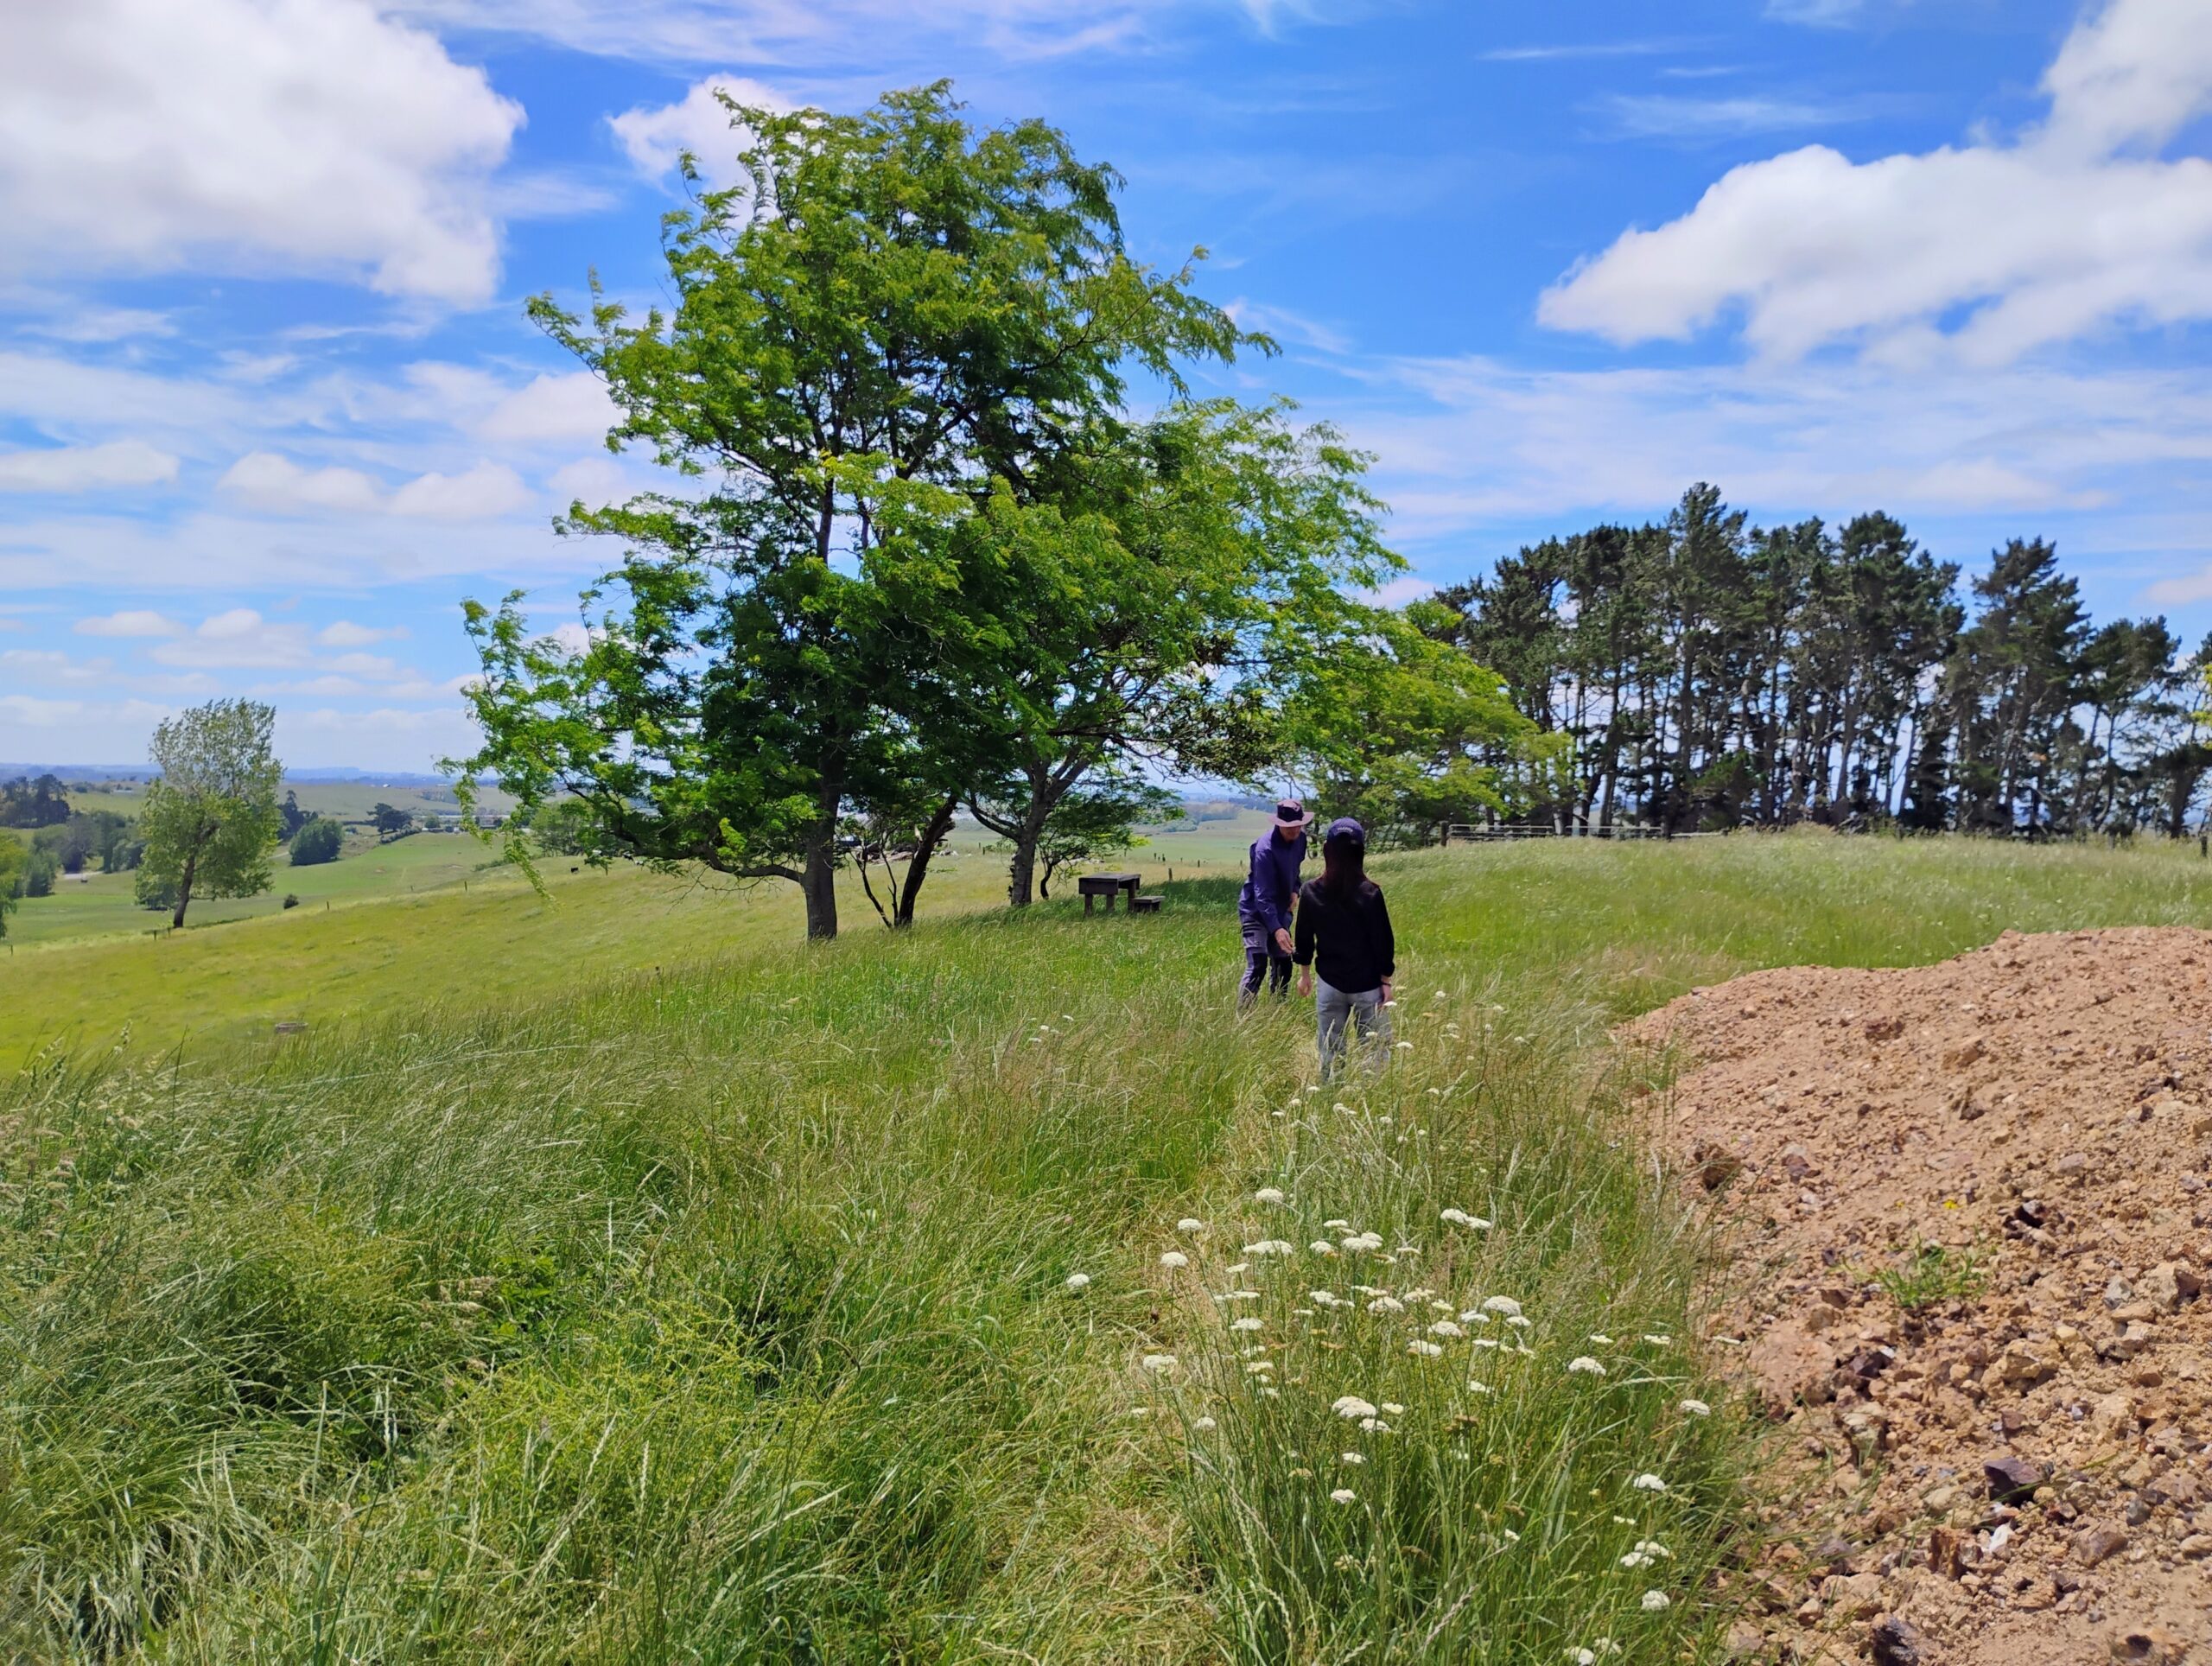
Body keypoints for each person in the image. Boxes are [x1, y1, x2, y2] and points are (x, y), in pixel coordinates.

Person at [1294, 817, 1395, 1078]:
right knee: (1374, 1050)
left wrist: (1304, 976)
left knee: (1330, 1048)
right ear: (1360, 852)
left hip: (1329, 983)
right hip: (1368, 984)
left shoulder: (1311, 891)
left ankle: (1331, 1097)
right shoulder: (1371, 893)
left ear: (1327, 850)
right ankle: (1371, 1099)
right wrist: (1386, 981)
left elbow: (1304, 938)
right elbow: (1383, 940)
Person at [1236, 798, 1310, 1008]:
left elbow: (1296, 871)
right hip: (1255, 910)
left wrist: (1296, 890)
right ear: (1278, 824)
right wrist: (1277, 928)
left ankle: (1278, 1014)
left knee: (1284, 963)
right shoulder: (1264, 850)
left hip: (1281, 909)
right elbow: (1262, 894)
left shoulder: (1301, 839)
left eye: (1298, 825)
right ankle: (1244, 1017)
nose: (1295, 831)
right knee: (1258, 964)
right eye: (1289, 827)